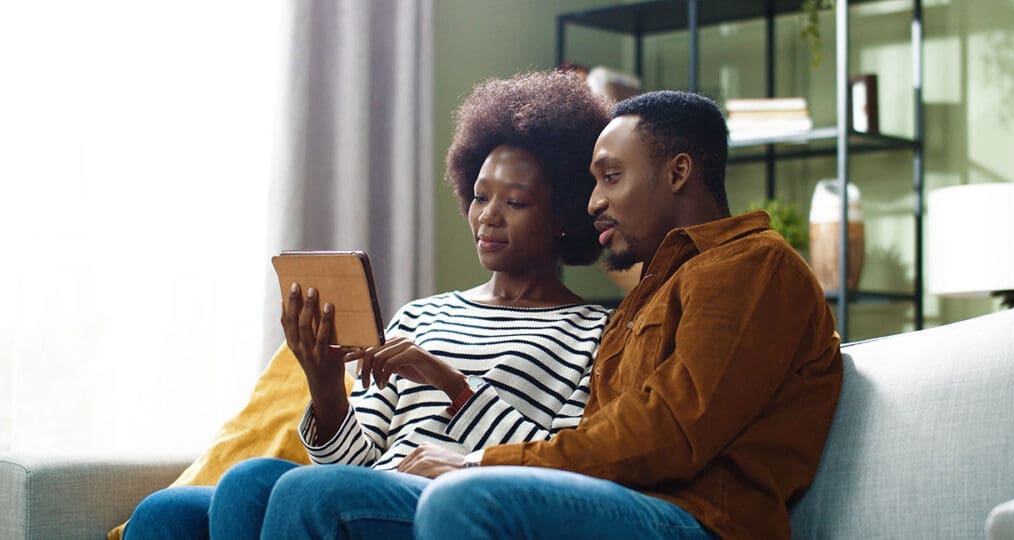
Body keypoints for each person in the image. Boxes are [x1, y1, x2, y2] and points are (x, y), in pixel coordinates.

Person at [254, 90, 845, 539]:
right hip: (629, 495)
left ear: (679, 172)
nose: (593, 202)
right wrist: (329, 388)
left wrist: (479, 460)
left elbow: (667, 434)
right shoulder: (651, 294)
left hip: (698, 519)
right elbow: (597, 435)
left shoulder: (751, 267)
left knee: (460, 500)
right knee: (251, 484)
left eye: (611, 177)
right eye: (592, 181)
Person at [123, 70, 613, 539]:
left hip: (454, 504)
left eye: (516, 203)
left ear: (565, 216)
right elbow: (350, 466)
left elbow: (560, 465)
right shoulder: (421, 315)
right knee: (188, 504)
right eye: (481, 196)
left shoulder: (595, 334)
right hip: (363, 495)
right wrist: (323, 380)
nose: (488, 216)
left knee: (299, 491)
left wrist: (452, 385)